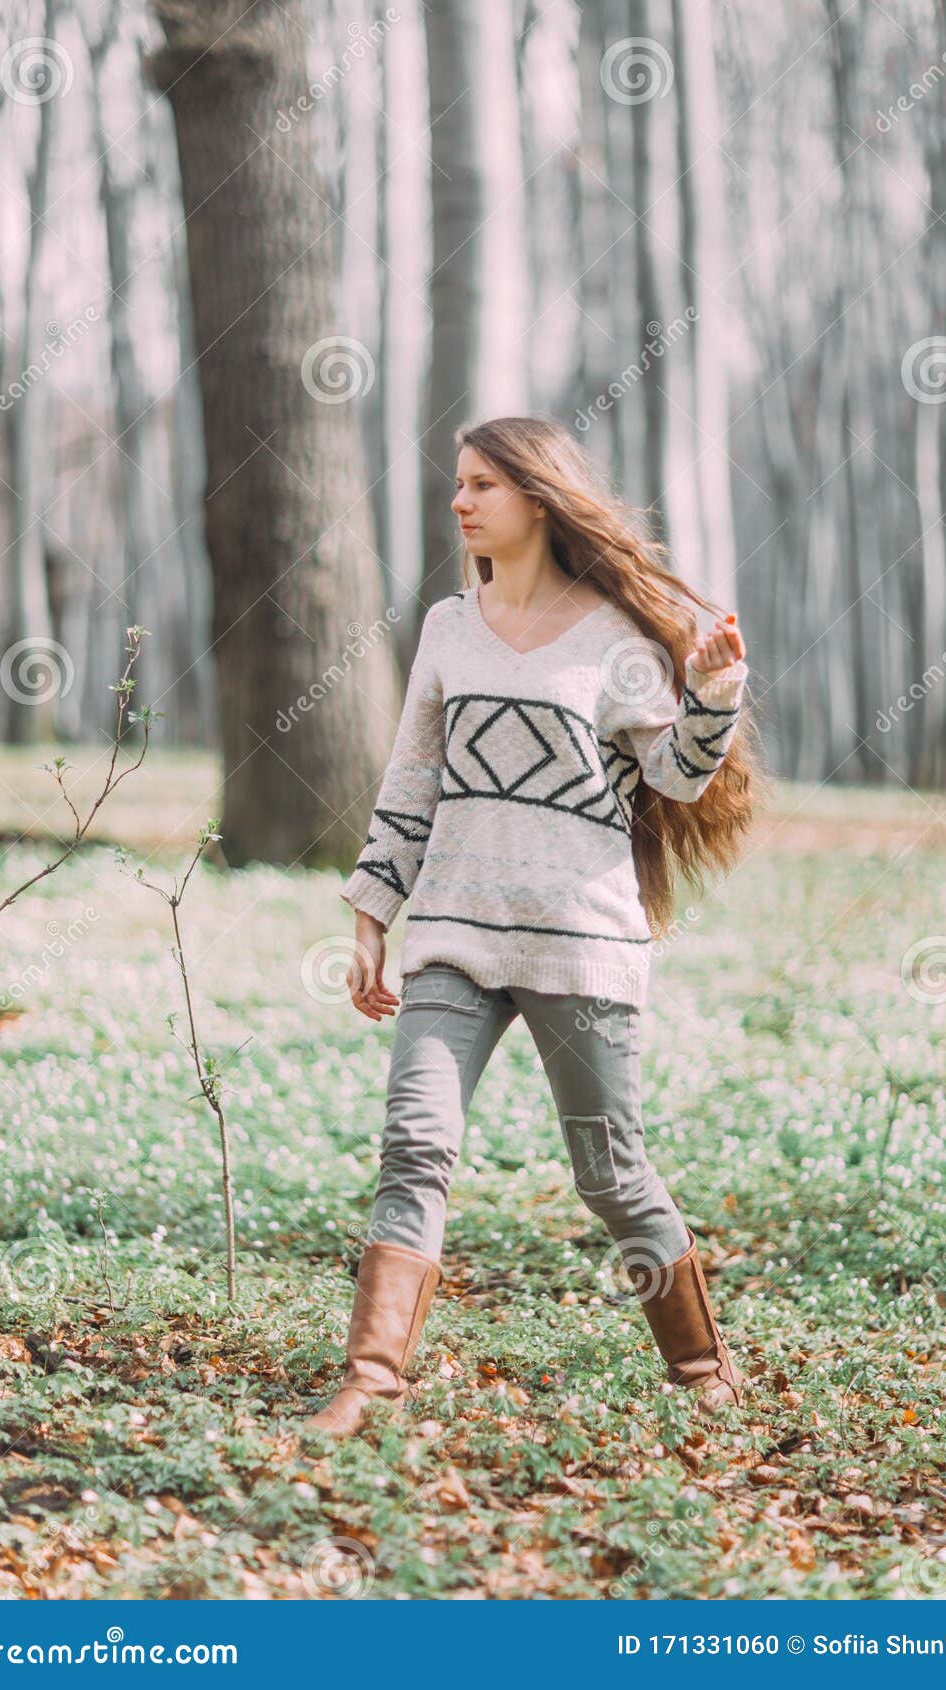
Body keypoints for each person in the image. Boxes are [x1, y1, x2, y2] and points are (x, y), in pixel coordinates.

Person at [307, 416, 769, 1439]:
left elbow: (675, 777)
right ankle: (370, 1377)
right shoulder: (445, 625)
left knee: (608, 1172)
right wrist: (371, 909)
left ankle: (699, 1369)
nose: (461, 501)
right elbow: (410, 778)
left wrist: (712, 696)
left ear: (538, 498)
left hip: (580, 941)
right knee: (412, 1146)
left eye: (482, 484)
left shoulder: (611, 636)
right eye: (458, 484)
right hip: (454, 936)